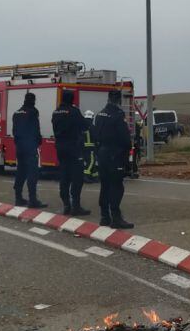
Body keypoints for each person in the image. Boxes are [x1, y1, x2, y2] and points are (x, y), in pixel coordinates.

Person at [94, 89, 133, 229]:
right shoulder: (118, 115)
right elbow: (125, 138)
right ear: (118, 100)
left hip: (102, 153)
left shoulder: (100, 114)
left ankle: (104, 216)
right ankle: (116, 217)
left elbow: (95, 135)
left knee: (105, 185)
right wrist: (127, 150)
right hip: (115, 154)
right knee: (117, 186)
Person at [52, 90, 91, 216]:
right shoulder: (74, 112)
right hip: (74, 149)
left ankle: (66, 205)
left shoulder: (56, 112)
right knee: (77, 178)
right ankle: (76, 206)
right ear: (72, 99)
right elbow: (84, 126)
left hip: (60, 148)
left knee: (64, 177)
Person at [11, 92, 46, 208]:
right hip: (30, 146)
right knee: (32, 173)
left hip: (19, 147)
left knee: (20, 172)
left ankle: (18, 198)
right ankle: (32, 200)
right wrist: (38, 140)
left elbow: (14, 131)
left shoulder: (16, 113)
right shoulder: (33, 112)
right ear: (33, 100)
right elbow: (36, 128)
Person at [82, 110, 99, 183]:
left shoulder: (82, 126)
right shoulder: (92, 126)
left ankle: (95, 176)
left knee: (91, 161)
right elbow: (96, 137)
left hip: (83, 147)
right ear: (92, 118)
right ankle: (86, 176)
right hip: (91, 148)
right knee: (91, 162)